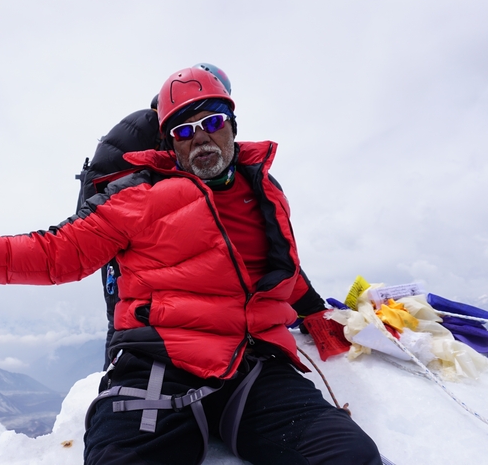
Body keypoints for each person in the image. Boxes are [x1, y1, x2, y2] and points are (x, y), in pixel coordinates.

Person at [0, 66, 382, 464]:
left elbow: (278, 267)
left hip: (253, 365)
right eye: (185, 132)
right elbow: (55, 253)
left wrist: (317, 314)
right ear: (170, 146)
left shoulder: (266, 192)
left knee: (349, 457)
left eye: (212, 122)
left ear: (233, 124)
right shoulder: (140, 200)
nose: (202, 139)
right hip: (156, 368)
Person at [78, 63, 327, 370]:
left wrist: (313, 309)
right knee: (123, 314)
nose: (199, 132)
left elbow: (263, 249)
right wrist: (119, 229)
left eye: (212, 119)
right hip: (121, 231)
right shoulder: (145, 127)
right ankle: (116, 371)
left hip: (134, 224)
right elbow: (109, 186)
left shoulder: (163, 130)